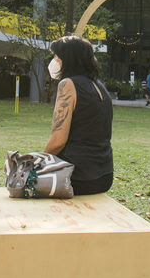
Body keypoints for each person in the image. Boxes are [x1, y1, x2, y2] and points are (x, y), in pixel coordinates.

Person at [44, 35, 113, 195]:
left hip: (76, 176)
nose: (54, 60)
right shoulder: (100, 87)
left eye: (57, 56)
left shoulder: (67, 85)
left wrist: (39, 162)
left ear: (68, 59)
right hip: (104, 176)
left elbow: (57, 141)